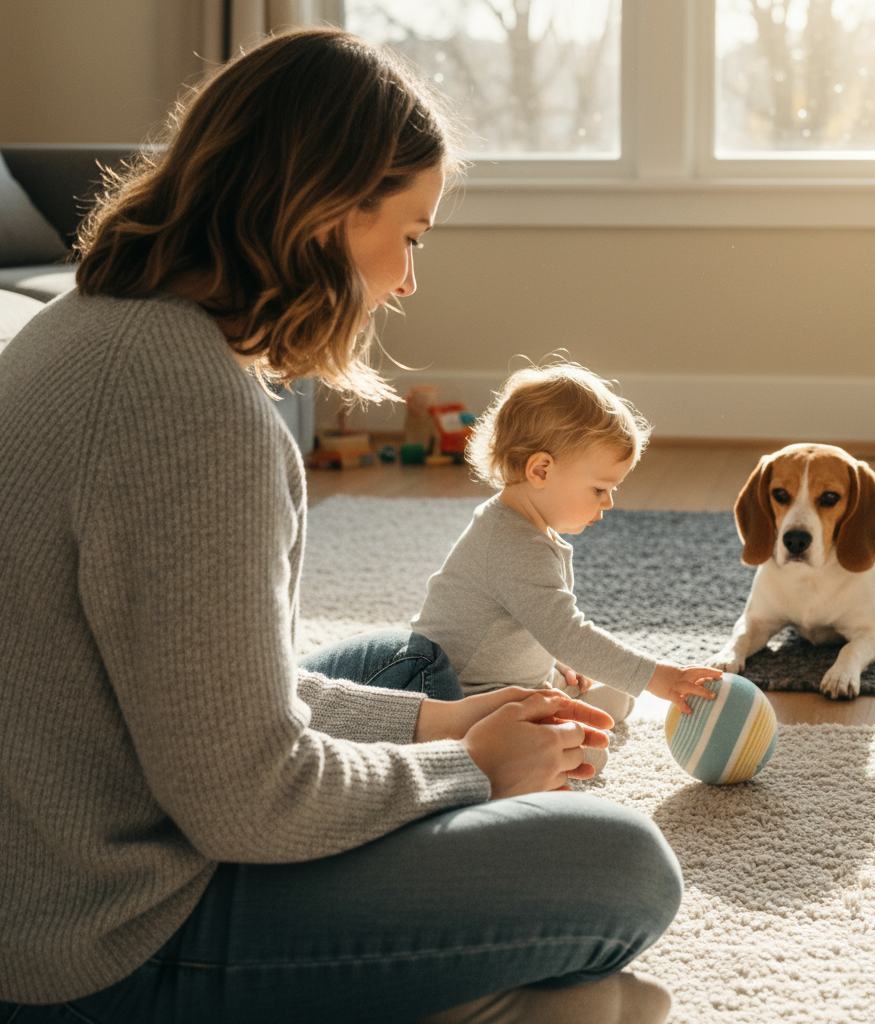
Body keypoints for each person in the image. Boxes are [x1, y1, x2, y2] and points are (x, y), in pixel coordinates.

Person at [0, 28, 684, 1024]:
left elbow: (226, 704)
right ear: (325, 209)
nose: (407, 281)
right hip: (102, 946)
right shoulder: (194, 410)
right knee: (620, 866)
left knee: (409, 668)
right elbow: (246, 797)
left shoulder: (82, 330)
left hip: (69, 848)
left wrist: (442, 722)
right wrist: (470, 765)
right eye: (408, 235)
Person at [412, 362, 724, 774]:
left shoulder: (528, 530)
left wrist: (548, 660)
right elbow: (565, 632)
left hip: (502, 679)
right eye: (600, 489)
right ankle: (555, 720)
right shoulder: (512, 543)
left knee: (608, 695)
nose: (608, 503)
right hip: (455, 692)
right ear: (540, 470)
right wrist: (659, 677)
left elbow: (528, 623)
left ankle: (562, 705)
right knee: (588, 752)